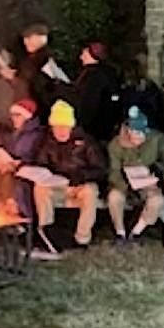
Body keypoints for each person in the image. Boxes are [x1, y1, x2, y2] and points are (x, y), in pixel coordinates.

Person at [31, 98, 105, 256]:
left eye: (64, 127)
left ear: (71, 126)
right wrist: (41, 173)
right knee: (40, 189)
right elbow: (41, 164)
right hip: (58, 185)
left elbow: (100, 169)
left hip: (79, 184)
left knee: (90, 191)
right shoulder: (48, 142)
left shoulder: (86, 142)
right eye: (57, 127)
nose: (61, 131)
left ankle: (82, 238)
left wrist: (80, 176)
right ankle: (47, 233)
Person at [106, 106, 164, 247]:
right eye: (133, 133)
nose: (136, 137)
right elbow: (114, 171)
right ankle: (120, 233)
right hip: (123, 182)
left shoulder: (158, 139)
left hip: (147, 181)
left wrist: (156, 170)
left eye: (140, 134)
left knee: (157, 200)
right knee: (114, 197)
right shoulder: (116, 144)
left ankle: (136, 232)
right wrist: (125, 184)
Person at [0, 94, 44, 221]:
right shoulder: (14, 133)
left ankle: (24, 220)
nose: (13, 119)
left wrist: (20, 164)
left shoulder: (37, 134)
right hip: (13, 170)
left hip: (30, 173)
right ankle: (6, 215)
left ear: (26, 117)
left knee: (18, 184)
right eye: (12, 115)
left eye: (17, 115)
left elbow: (40, 157)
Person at [72, 41, 122, 143]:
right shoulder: (106, 73)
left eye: (84, 54)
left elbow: (89, 104)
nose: (81, 57)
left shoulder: (94, 76)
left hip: (95, 129)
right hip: (101, 127)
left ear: (92, 56)